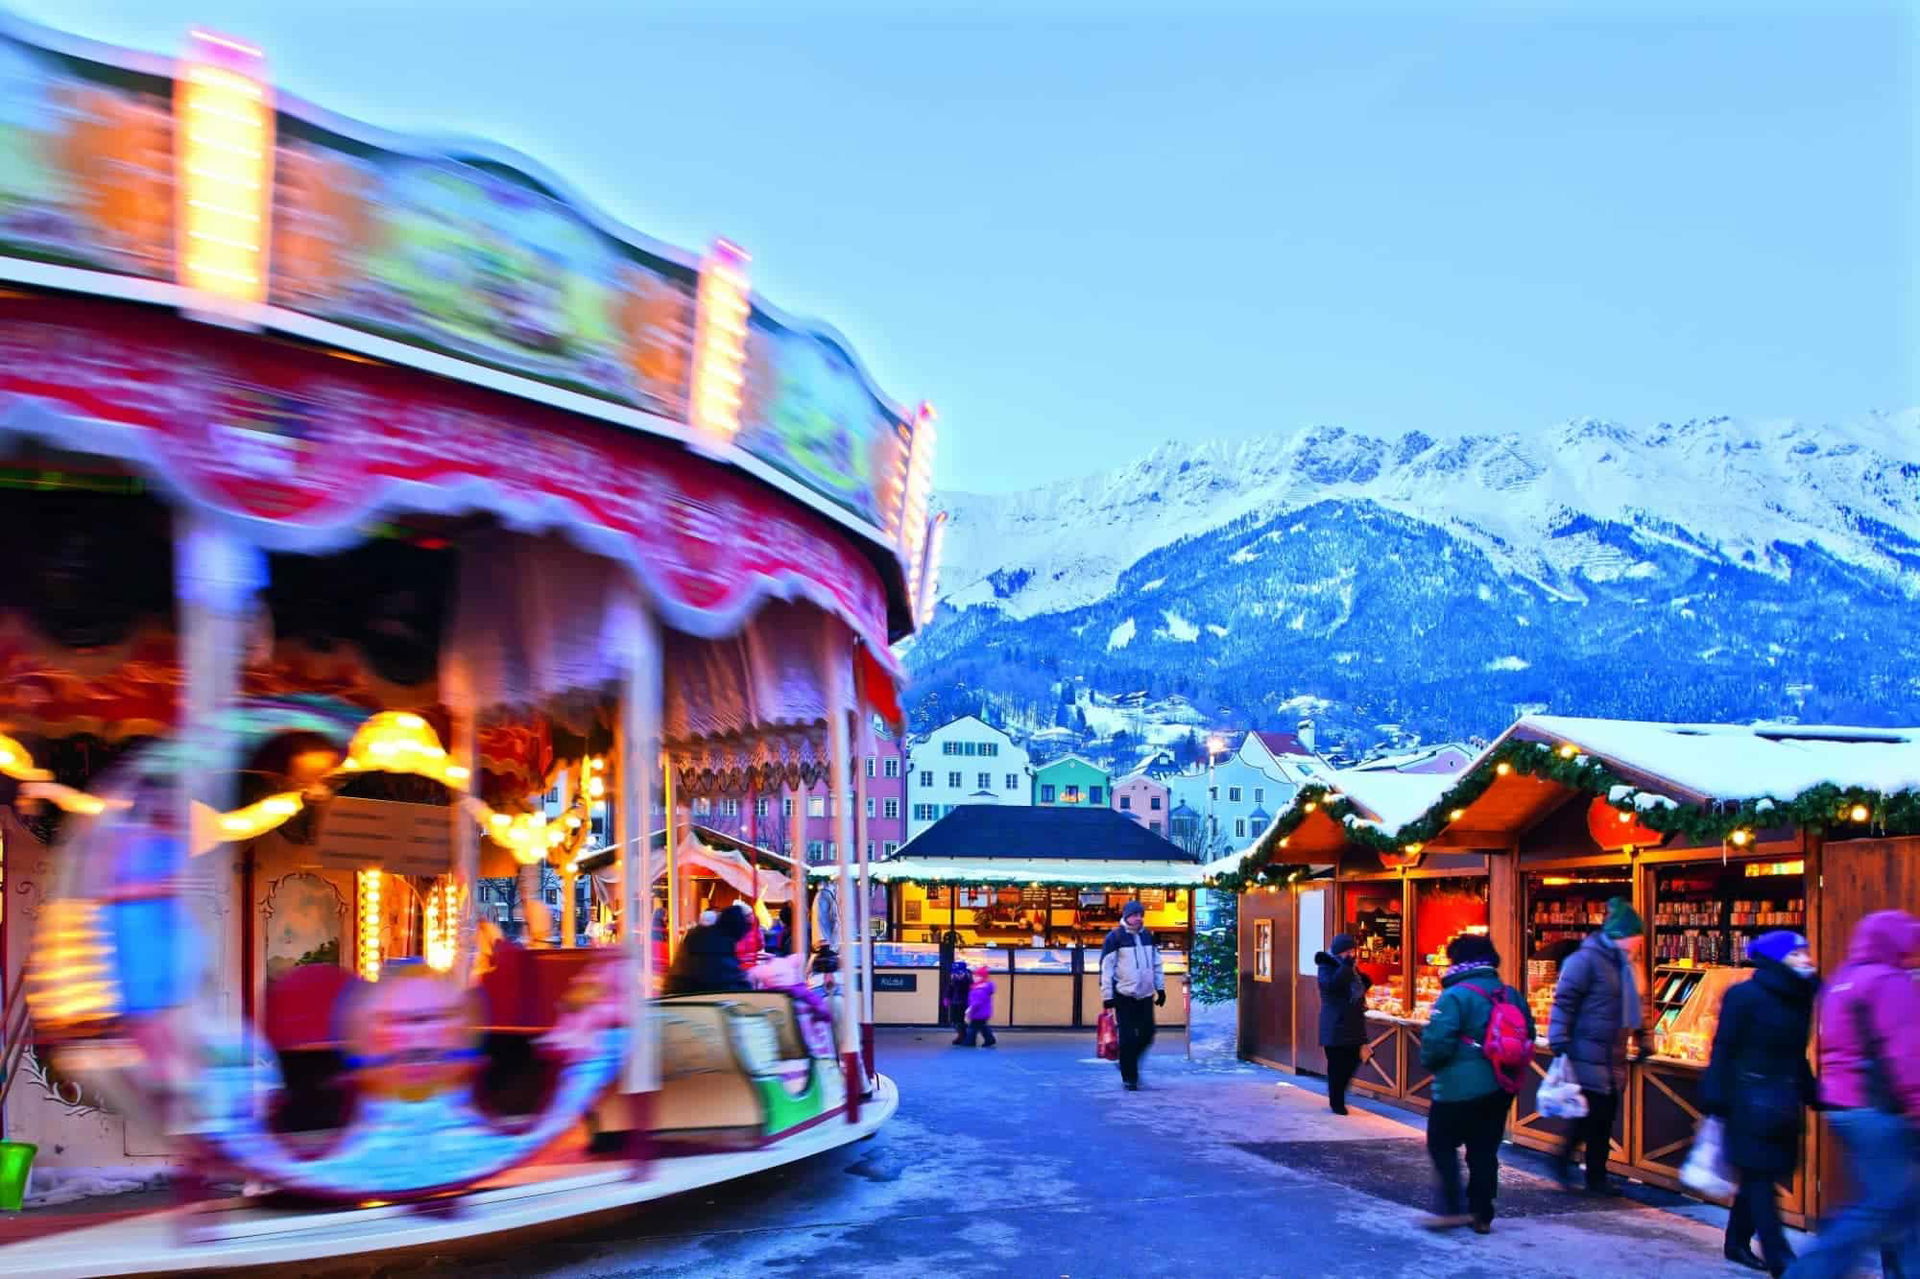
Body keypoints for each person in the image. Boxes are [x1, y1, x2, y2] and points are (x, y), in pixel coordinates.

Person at [1784, 910, 1920, 1279]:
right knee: (1880, 1206)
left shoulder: (1844, 979)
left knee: (1903, 1205)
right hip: (1879, 1105)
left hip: (1845, 1104)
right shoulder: (1888, 981)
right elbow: (1905, 1053)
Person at [1702, 930, 1819, 1276]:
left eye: (1805, 953)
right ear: (1778, 959)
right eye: (1796, 954)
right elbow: (1723, 1048)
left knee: (1761, 1176)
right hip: (1747, 1101)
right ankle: (1779, 1256)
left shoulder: (1802, 996)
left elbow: (1796, 1054)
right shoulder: (1744, 996)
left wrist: (1812, 1092)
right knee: (1760, 1180)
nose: (1805, 960)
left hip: (1782, 1101)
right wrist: (1715, 1096)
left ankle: (1737, 1240)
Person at [1418, 934, 1534, 1234]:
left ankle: (1451, 1208)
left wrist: (1430, 1063)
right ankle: (1482, 1212)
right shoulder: (1511, 994)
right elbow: (1529, 1033)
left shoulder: (1455, 995)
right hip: (1501, 1084)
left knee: (1441, 1144)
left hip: (1457, 1086)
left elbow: (1437, 1042)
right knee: (1484, 1149)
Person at [1548, 896, 1645, 1194]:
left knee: (1602, 1118)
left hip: (1612, 1055)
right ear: (1620, 937)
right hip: (1586, 1051)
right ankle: (1574, 1166)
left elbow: (1639, 1007)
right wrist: (1560, 1038)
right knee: (1591, 1116)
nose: (1637, 945)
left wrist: (1644, 1040)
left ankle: (1589, 1173)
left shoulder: (1628, 967)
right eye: (1634, 939)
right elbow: (1565, 1000)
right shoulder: (1585, 961)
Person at [1100, 900, 1165, 1091]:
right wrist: (1107, 995)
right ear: (1126, 916)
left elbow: (1156, 964)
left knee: (1147, 1034)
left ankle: (1126, 1061)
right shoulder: (1115, 937)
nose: (1138, 918)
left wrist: (1160, 988)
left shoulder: (1147, 936)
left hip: (1145, 995)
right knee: (1127, 1038)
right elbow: (1106, 968)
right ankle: (1130, 1077)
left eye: (1140, 915)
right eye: (1134, 915)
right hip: (1124, 995)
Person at [1315, 933, 1371, 1115]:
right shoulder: (1326, 965)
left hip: (1353, 1024)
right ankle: (1336, 1101)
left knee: (1353, 1061)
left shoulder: (1350, 968)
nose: (1351, 954)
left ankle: (1338, 1096)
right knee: (1337, 1065)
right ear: (1339, 951)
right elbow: (1332, 986)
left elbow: (1356, 988)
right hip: (1335, 1024)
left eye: (1352, 950)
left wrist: (1363, 980)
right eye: (1348, 951)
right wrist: (1347, 966)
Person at [662, 903, 752, 995]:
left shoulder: (700, 934)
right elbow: (724, 980)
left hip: (675, 994)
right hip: (691, 998)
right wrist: (748, 988)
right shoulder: (719, 943)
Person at [961, 963, 998, 1047]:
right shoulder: (983, 988)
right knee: (982, 1027)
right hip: (983, 1012)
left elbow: (977, 1002)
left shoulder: (979, 989)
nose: (974, 978)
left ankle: (970, 1042)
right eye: (974, 976)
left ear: (982, 977)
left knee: (972, 1028)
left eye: (976, 976)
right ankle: (989, 1039)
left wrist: (969, 1009)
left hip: (978, 1012)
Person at [945, 959, 975, 1046]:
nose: (956, 974)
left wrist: (961, 980)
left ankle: (964, 1037)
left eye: (959, 972)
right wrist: (947, 997)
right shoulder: (953, 977)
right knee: (954, 1021)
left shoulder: (968, 978)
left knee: (963, 1021)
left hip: (965, 1002)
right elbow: (950, 988)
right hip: (955, 1002)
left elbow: (970, 990)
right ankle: (961, 1035)